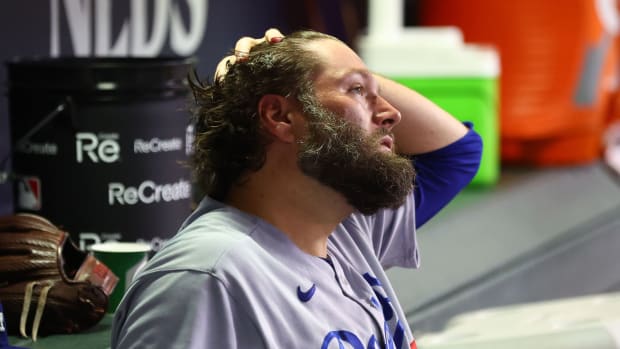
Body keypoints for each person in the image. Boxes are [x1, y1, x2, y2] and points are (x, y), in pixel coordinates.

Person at [111, 28, 482, 349]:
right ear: (279, 116)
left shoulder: (346, 229)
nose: (390, 112)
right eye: (356, 90)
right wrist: (290, 67)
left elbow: (458, 152)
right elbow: (456, 155)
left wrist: (297, 58)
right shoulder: (206, 278)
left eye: (376, 91)